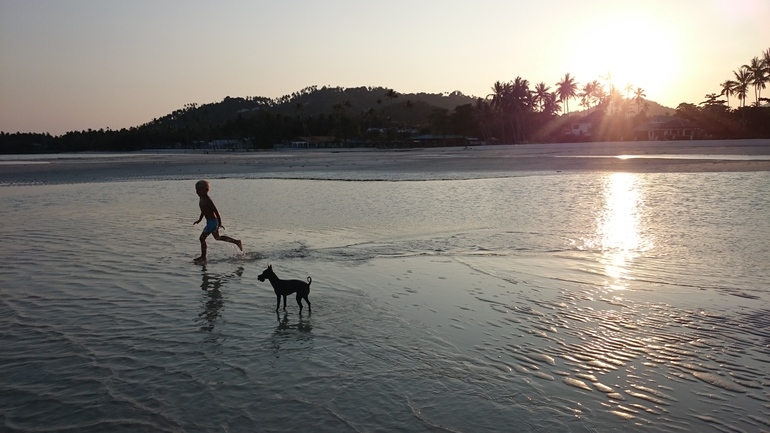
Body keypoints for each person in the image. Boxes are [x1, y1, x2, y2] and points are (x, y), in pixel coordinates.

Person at [193, 180, 243, 262]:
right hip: (210, 222)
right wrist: (199, 220)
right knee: (217, 237)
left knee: (202, 238)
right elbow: (203, 210)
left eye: (199, 190)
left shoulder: (208, 200)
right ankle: (236, 242)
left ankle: (203, 257)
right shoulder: (202, 199)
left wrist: (220, 222)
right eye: (196, 190)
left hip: (213, 222)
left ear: (205, 190)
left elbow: (216, 211)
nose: (197, 192)